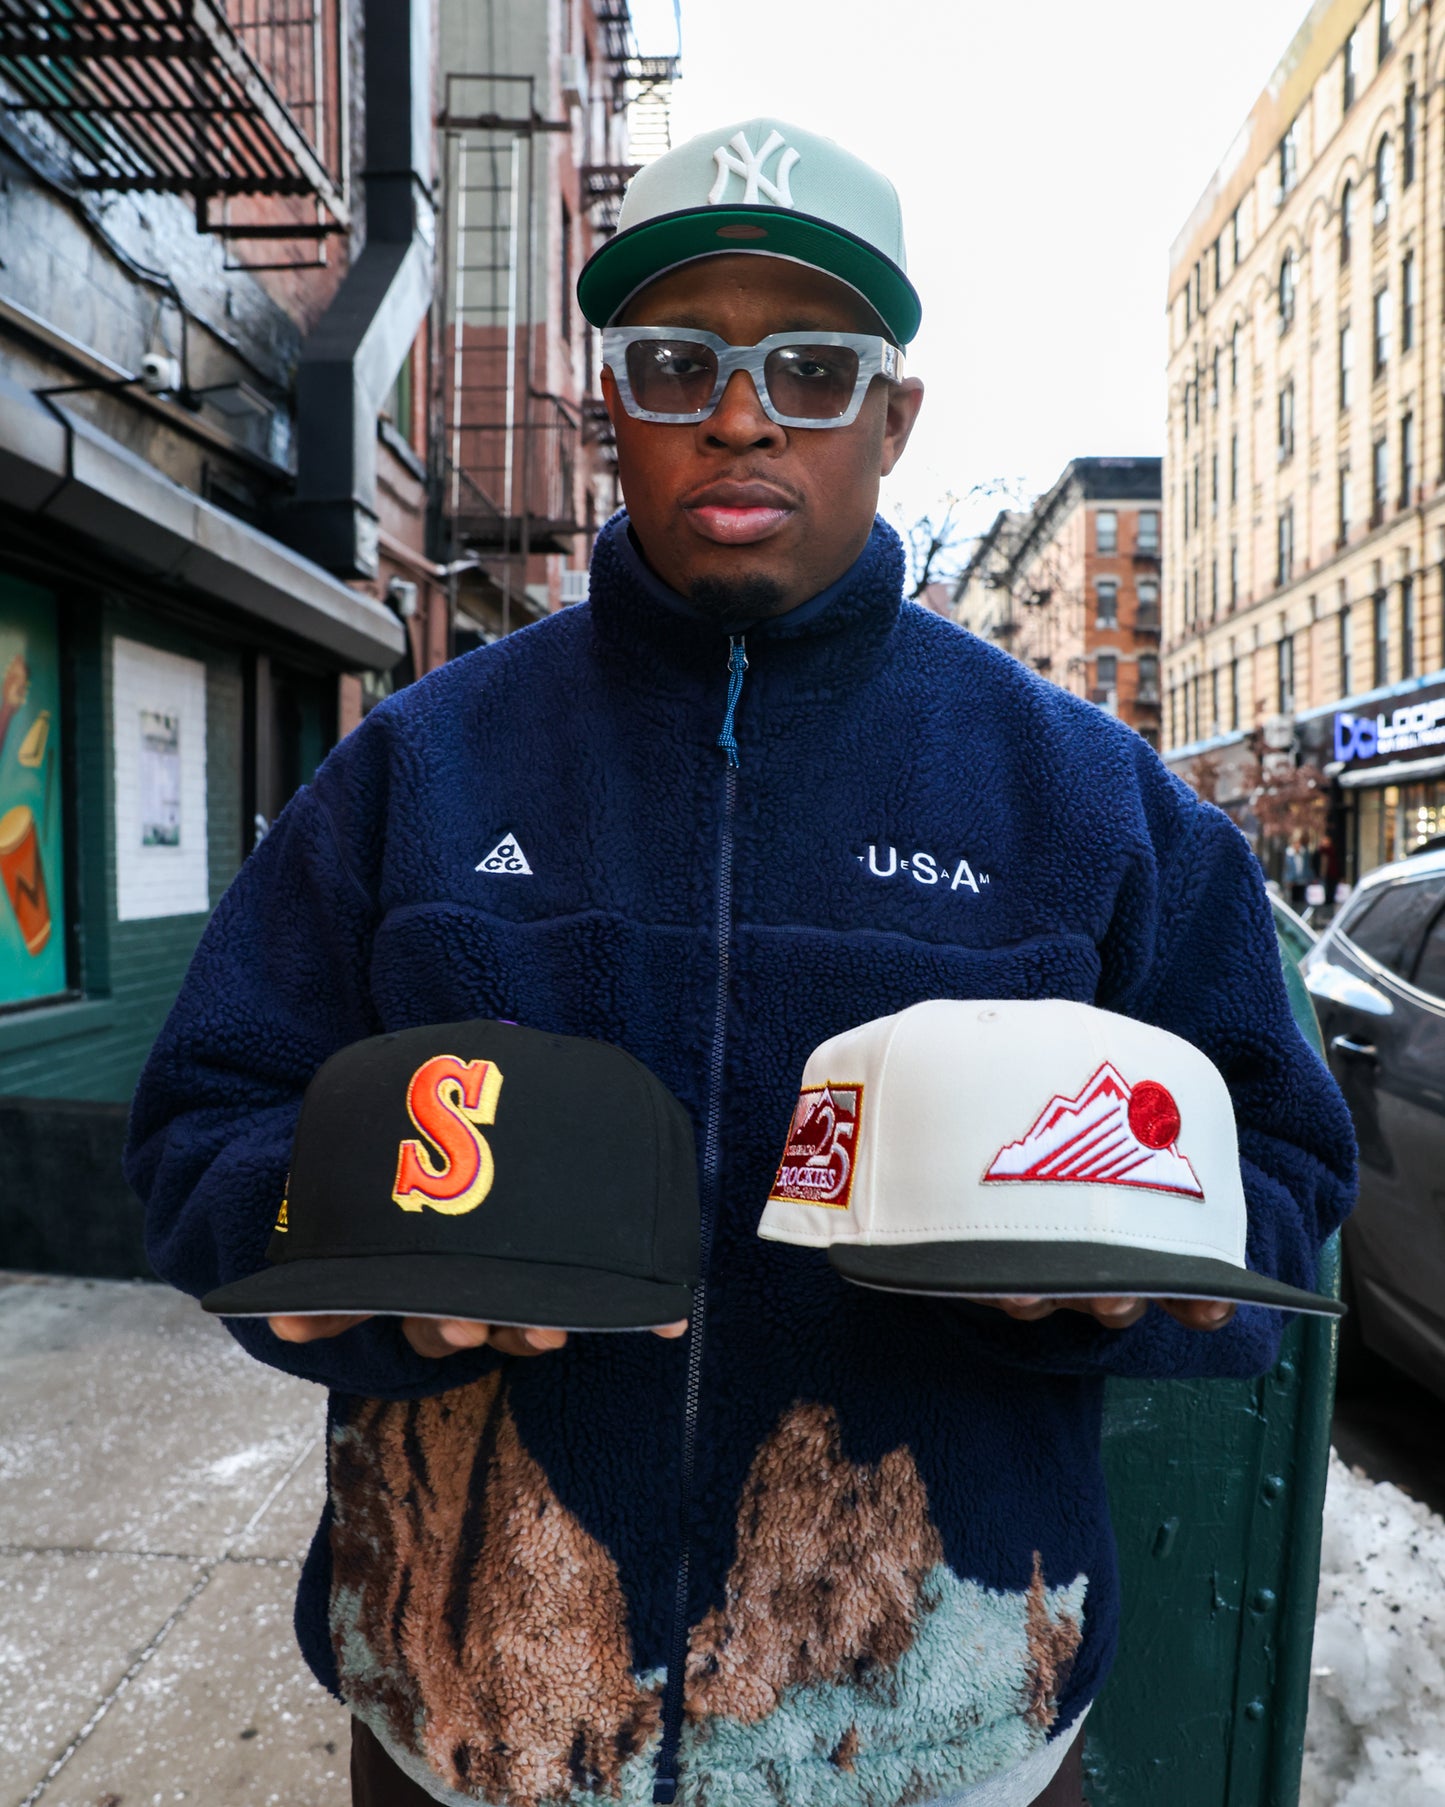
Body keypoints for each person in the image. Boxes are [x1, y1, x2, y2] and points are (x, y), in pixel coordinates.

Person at [126, 118, 1355, 1807]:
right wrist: (332, 1260)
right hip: (473, 1733)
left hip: (943, 1738)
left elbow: (1279, 1165)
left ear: (893, 417)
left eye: (811, 366)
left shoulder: (1080, 799)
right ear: (610, 399)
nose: (738, 412)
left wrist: (1138, 1283)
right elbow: (209, 1128)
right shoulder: (419, 769)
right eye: (676, 359)